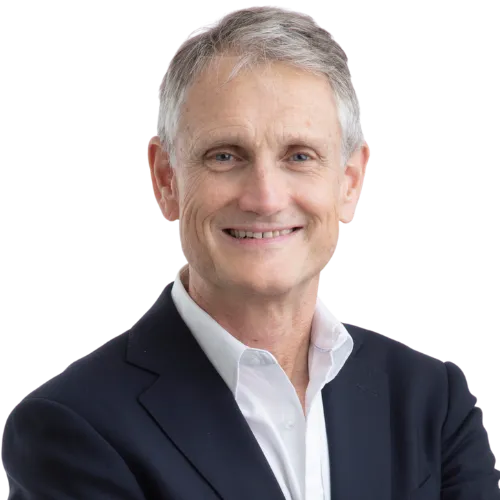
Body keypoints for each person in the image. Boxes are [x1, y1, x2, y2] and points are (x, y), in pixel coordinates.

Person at [2, 6, 498, 500]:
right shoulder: (75, 429)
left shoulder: (432, 402)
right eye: (224, 155)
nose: (265, 198)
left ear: (350, 183)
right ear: (165, 180)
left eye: (299, 156)